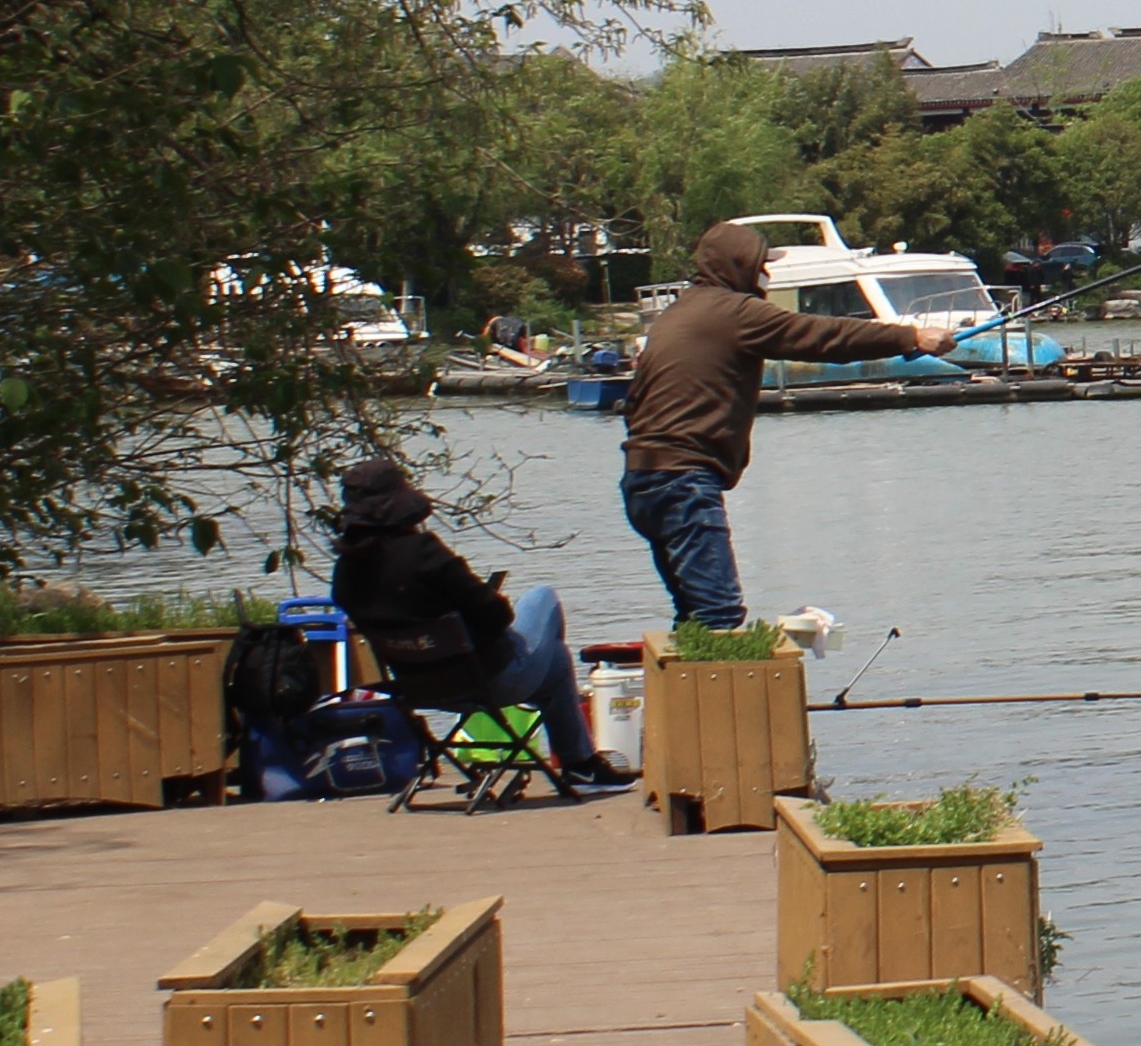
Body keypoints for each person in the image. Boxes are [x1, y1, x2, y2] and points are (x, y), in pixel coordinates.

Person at [618, 219, 956, 630]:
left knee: (695, 617)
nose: (765, 274)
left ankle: (685, 669)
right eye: (761, 265)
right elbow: (823, 336)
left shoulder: (676, 314)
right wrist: (911, 338)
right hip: (683, 482)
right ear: (739, 265)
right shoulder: (734, 313)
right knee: (720, 615)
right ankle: (725, 673)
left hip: (642, 480)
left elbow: (633, 403)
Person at [328, 457, 626, 792]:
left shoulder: (345, 573)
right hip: (488, 681)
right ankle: (580, 766)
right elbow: (498, 616)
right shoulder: (424, 553)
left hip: (419, 690)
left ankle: (580, 764)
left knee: (555, 660)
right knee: (543, 603)